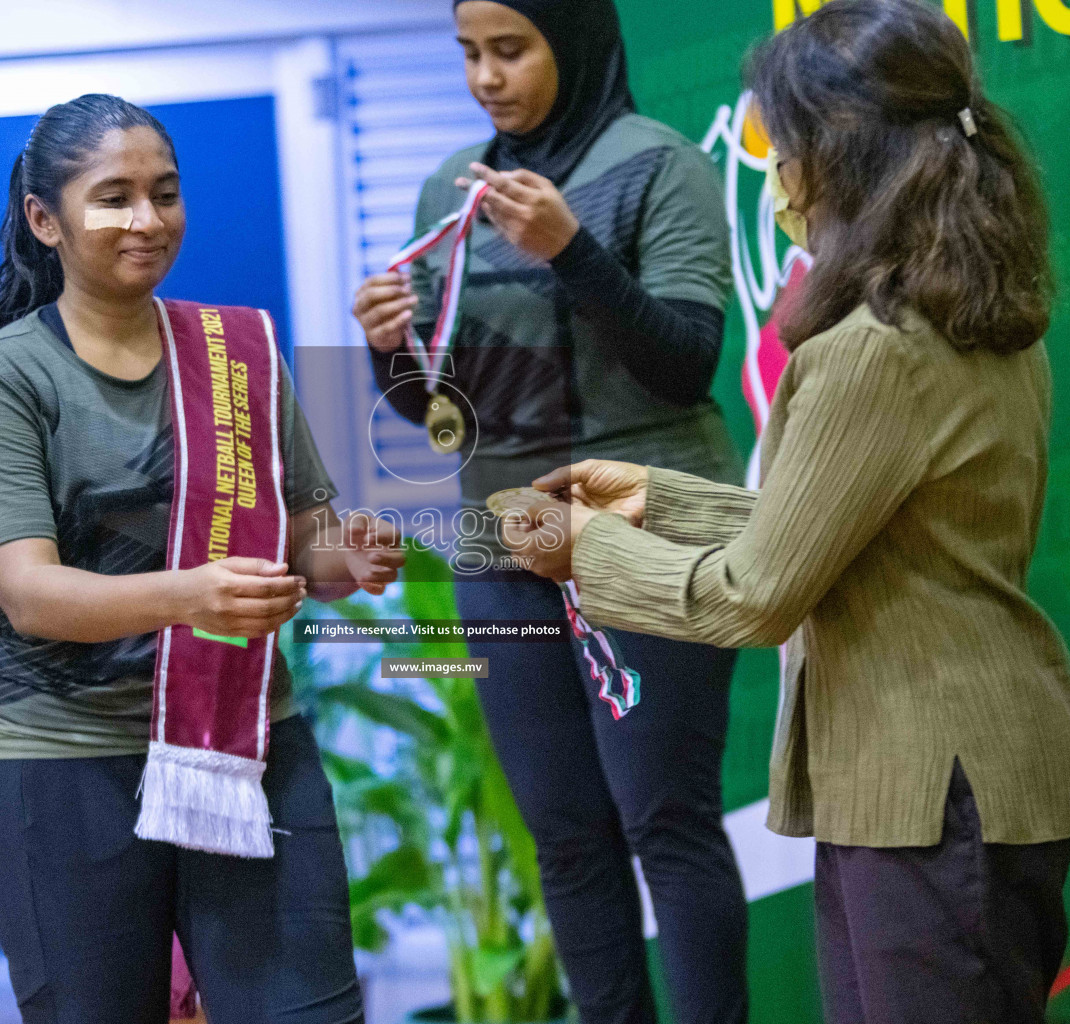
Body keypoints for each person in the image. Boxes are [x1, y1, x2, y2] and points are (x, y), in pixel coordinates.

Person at [506, 2, 1070, 1021]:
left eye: (782, 146)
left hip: (932, 786)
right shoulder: (972, 309)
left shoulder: (873, 346)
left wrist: (589, 551)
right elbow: (845, 525)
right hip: (950, 772)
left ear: (843, 152)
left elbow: (757, 595)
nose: (773, 176)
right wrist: (658, 499)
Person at [0, 94, 400, 1024]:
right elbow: (28, 593)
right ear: (45, 220)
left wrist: (347, 556)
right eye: (113, 198)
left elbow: (304, 541)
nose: (147, 220)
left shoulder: (237, 354)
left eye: (166, 193)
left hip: (245, 744)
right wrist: (192, 594)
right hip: (64, 761)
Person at [351, 2, 749, 1021]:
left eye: (511, 50)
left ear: (572, 40)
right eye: (470, 54)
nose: (486, 76)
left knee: (666, 818)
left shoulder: (659, 166)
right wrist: (388, 349)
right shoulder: (453, 187)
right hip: (501, 537)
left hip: (646, 525)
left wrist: (574, 250)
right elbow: (446, 418)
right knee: (565, 834)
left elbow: (686, 360)